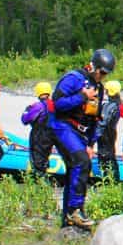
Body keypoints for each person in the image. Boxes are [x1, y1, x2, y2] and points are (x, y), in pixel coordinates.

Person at [48, 47, 114, 229]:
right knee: (81, 161)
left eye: (106, 74)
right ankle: (75, 209)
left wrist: (91, 143)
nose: (102, 76)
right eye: (101, 72)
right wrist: (81, 96)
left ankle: (69, 216)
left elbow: (95, 118)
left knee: (76, 167)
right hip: (62, 126)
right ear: (93, 67)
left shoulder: (100, 89)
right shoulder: (74, 79)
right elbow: (58, 103)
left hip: (81, 133)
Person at [21, 81, 56, 179]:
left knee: (37, 163)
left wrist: (27, 110)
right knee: (44, 159)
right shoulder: (54, 104)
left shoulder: (38, 106)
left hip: (38, 136)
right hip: (50, 137)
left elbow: (25, 120)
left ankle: (41, 184)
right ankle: (45, 175)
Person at [97, 80, 123, 183]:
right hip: (111, 133)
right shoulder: (116, 104)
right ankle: (113, 180)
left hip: (105, 134)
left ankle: (110, 181)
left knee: (105, 157)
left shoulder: (110, 106)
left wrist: (94, 135)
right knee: (110, 155)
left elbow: (103, 123)